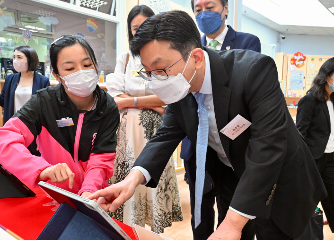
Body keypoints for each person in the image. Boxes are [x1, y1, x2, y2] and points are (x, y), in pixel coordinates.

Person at [88, 11, 327, 240]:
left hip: (283, 182)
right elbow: (165, 136)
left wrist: (232, 224)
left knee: (281, 233)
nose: (156, 82)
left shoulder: (254, 71)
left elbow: (269, 146)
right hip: (233, 177)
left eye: (161, 70)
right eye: (148, 73)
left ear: (196, 58)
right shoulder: (180, 87)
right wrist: (131, 181)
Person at [0, 35, 119, 197]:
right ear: (57, 75)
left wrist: (89, 191)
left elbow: (101, 158)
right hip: (54, 193)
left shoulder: (107, 106)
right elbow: (5, 139)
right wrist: (41, 168)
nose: (81, 72)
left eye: (87, 64)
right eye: (70, 68)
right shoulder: (44, 101)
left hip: (93, 197)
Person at [180, 0, 261, 238]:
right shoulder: (190, 48)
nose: (204, 14)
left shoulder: (247, 42)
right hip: (199, 147)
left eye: (211, 7)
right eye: (198, 9)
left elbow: (242, 90)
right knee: (201, 211)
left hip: (233, 144)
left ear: (226, 9)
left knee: (233, 209)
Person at [106, 5, 183, 233]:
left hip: (157, 132)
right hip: (127, 133)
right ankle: (127, 231)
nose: (140, 32)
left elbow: (169, 96)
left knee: (152, 179)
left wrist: (129, 101)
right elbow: (114, 96)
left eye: (146, 26)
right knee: (129, 178)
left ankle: (151, 233)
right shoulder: (125, 58)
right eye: (135, 28)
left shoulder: (163, 57)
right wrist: (152, 103)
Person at [0, 46, 50, 155]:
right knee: (14, 157)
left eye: (19, 57)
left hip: (33, 128)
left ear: (30, 59)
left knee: (31, 160)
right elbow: (4, 102)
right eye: (14, 57)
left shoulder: (43, 81)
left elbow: (46, 110)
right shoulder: (10, 79)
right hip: (14, 126)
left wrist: (42, 138)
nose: (15, 61)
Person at [296, 57, 334, 233]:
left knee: (332, 199)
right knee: (308, 202)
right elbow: (300, 133)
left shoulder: (333, 100)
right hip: (313, 159)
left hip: (331, 159)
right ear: (327, 76)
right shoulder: (310, 100)